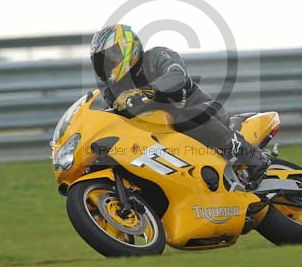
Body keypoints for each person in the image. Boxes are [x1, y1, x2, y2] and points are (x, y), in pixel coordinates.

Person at [89, 23, 269, 184]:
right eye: (101, 60)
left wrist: (145, 92)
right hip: (164, 136)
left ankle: (253, 157)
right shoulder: (113, 89)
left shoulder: (157, 56)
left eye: (111, 56)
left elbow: (177, 75)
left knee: (186, 118)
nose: (107, 63)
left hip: (203, 111)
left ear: (128, 48)